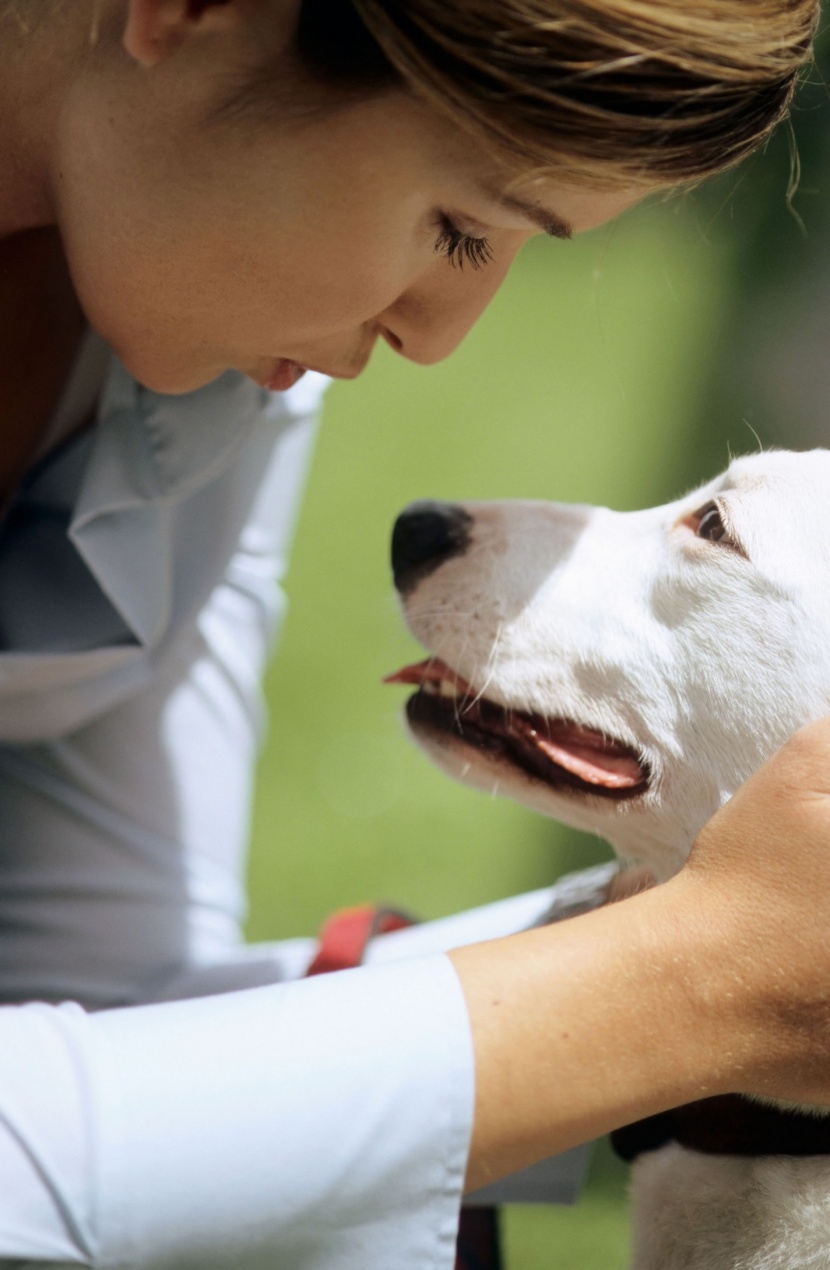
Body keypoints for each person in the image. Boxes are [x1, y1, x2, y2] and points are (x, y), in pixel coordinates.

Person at [1, 1, 829, 1266]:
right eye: (455, 225)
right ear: (192, 11)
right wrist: (681, 987)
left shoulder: (212, 342)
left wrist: (714, 939)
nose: (439, 337)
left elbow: (97, 1010)